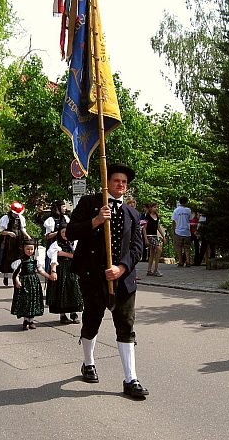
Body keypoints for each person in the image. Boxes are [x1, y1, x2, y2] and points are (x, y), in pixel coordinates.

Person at [66, 163, 148, 398]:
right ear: (107, 181)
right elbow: (70, 232)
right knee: (91, 322)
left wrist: (122, 268)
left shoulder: (133, 213)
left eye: (124, 182)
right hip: (93, 278)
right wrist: (95, 222)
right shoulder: (90, 204)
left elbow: (137, 247)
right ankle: (88, 362)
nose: (121, 185)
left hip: (122, 280)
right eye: (116, 181)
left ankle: (130, 379)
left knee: (126, 327)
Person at [11, 239, 52, 330]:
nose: (30, 251)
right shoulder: (20, 261)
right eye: (28, 249)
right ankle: (26, 320)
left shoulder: (35, 260)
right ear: (23, 249)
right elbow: (16, 273)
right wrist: (17, 281)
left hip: (34, 282)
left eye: (31, 249)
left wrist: (49, 276)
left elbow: (40, 270)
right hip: (25, 282)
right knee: (26, 301)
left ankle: (31, 320)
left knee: (34, 300)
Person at [47, 224, 83, 324]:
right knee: (62, 290)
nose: (65, 234)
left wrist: (64, 254)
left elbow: (79, 256)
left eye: (66, 231)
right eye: (62, 232)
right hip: (61, 268)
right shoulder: (56, 244)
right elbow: (54, 258)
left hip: (73, 268)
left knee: (74, 289)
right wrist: (53, 271)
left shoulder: (75, 242)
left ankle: (73, 313)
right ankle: (63, 315)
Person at [0, 201, 31, 286]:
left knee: (18, 258)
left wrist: (27, 236)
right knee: (7, 258)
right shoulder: (5, 218)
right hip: (8, 241)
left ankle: (16, 277)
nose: (16, 215)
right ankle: (6, 275)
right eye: (15, 213)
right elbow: (1, 231)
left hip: (18, 240)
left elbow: (22, 229)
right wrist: (9, 233)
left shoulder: (21, 218)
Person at [43, 200, 70, 274]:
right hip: (54, 245)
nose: (65, 208)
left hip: (65, 245)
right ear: (58, 208)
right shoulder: (51, 220)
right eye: (63, 206)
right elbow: (47, 236)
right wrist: (58, 233)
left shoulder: (66, 218)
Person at [143, 202, 166, 277]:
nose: (156, 208)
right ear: (151, 208)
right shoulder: (147, 217)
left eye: (157, 207)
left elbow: (158, 227)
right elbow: (144, 228)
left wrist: (163, 236)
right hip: (150, 236)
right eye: (154, 207)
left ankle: (149, 270)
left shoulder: (157, 216)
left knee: (152, 254)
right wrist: (145, 238)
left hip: (155, 236)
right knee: (159, 249)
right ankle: (156, 269)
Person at [172, 196, 192, 267]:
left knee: (179, 247)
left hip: (178, 231)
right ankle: (188, 261)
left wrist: (173, 230)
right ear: (186, 202)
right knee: (187, 247)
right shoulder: (188, 210)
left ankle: (180, 261)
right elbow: (190, 220)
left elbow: (173, 221)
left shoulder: (176, 210)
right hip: (187, 231)